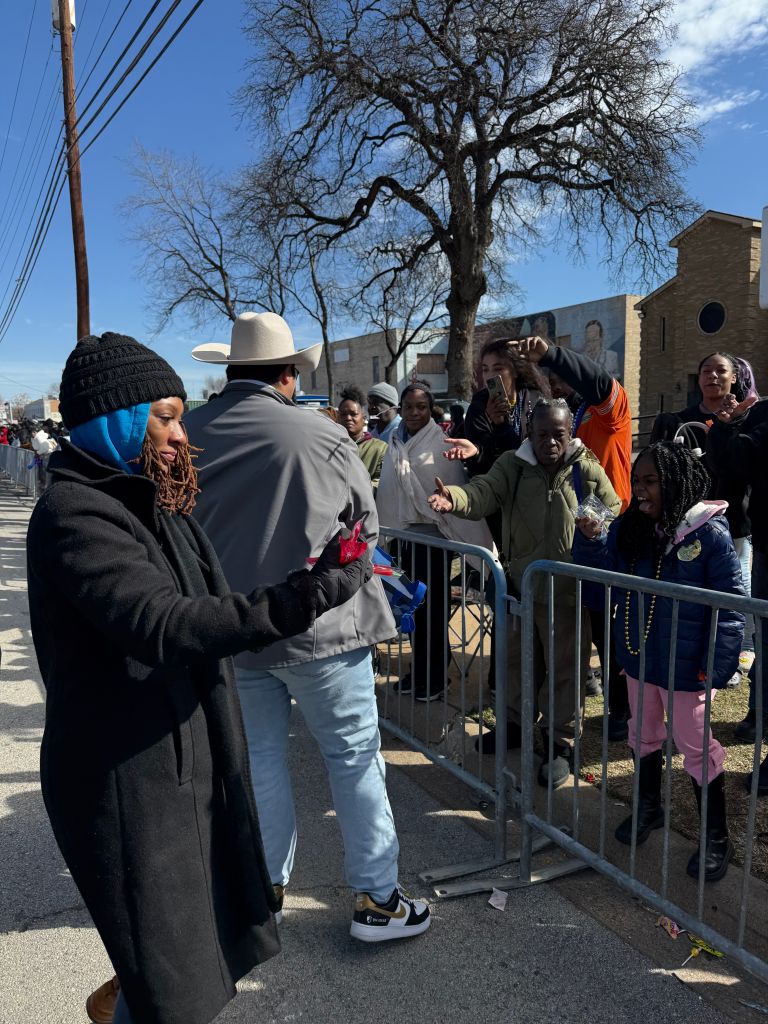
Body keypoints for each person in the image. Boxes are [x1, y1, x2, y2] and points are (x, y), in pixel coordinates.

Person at [27, 332, 371, 1024]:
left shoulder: (146, 500)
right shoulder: (76, 514)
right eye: (166, 416)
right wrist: (309, 597)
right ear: (115, 418)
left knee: (186, 953)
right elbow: (163, 624)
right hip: (126, 789)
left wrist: (316, 569)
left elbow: (212, 596)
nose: (183, 435)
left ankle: (128, 996)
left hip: (179, 766)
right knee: (172, 978)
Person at [186, 312, 430, 943]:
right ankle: (378, 899)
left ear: (232, 371)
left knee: (259, 760)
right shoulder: (321, 436)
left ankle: (265, 889)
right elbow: (364, 528)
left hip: (235, 631)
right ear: (287, 374)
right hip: (323, 630)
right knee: (352, 760)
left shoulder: (189, 434)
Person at [574, 442, 744, 880]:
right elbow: (602, 581)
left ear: (675, 483)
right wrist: (591, 541)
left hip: (688, 667)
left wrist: (718, 666)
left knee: (694, 744)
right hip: (639, 656)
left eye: (651, 482)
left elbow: (730, 607)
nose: (642, 491)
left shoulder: (709, 534)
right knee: (642, 733)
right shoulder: (632, 528)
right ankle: (649, 807)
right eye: (638, 481)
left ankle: (716, 838)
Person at [430, 399, 620, 787]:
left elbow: (611, 507)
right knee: (516, 665)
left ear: (570, 434)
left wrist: (594, 525)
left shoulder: (585, 467)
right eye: (542, 433)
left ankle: (559, 744)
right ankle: (514, 727)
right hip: (521, 588)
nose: (550, 441)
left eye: (558, 434)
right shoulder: (512, 465)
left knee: (565, 670)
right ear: (530, 433)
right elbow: (483, 491)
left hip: (568, 593)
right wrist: (454, 498)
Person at [511, 333, 633, 737]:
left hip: (611, 532)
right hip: (577, 539)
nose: (561, 382)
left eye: (566, 375)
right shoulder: (573, 419)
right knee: (583, 625)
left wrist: (552, 354)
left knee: (609, 628)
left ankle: (622, 710)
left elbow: (610, 500)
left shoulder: (610, 413)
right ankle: (586, 689)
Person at [377, 381, 493, 702]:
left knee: (434, 611)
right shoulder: (395, 442)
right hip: (403, 538)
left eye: (421, 407)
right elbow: (389, 491)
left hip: (434, 540)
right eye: (409, 407)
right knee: (410, 609)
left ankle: (436, 677)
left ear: (430, 410)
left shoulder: (441, 443)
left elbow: (453, 488)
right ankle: (419, 669)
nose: (415, 412)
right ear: (400, 409)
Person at [653, 352, 756, 688]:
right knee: (689, 596)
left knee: (730, 597)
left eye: (720, 370)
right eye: (706, 370)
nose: (712, 375)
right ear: (698, 379)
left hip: (733, 525)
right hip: (686, 527)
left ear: (735, 378)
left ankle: (729, 661)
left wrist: (729, 426)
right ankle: (691, 658)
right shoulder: (678, 422)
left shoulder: (747, 420)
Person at [706, 391, 768, 792]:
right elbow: (732, 467)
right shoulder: (760, 414)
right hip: (765, 543)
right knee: (765, 640)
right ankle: (758, 714)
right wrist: (731, 427)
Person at [337, 385, 388, 492]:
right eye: (343, 414)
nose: (348, 418)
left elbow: (382, 482)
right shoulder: (330, 446)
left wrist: (352, 489)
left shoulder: (379, 448)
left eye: (353, 414)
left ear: (364, 418)